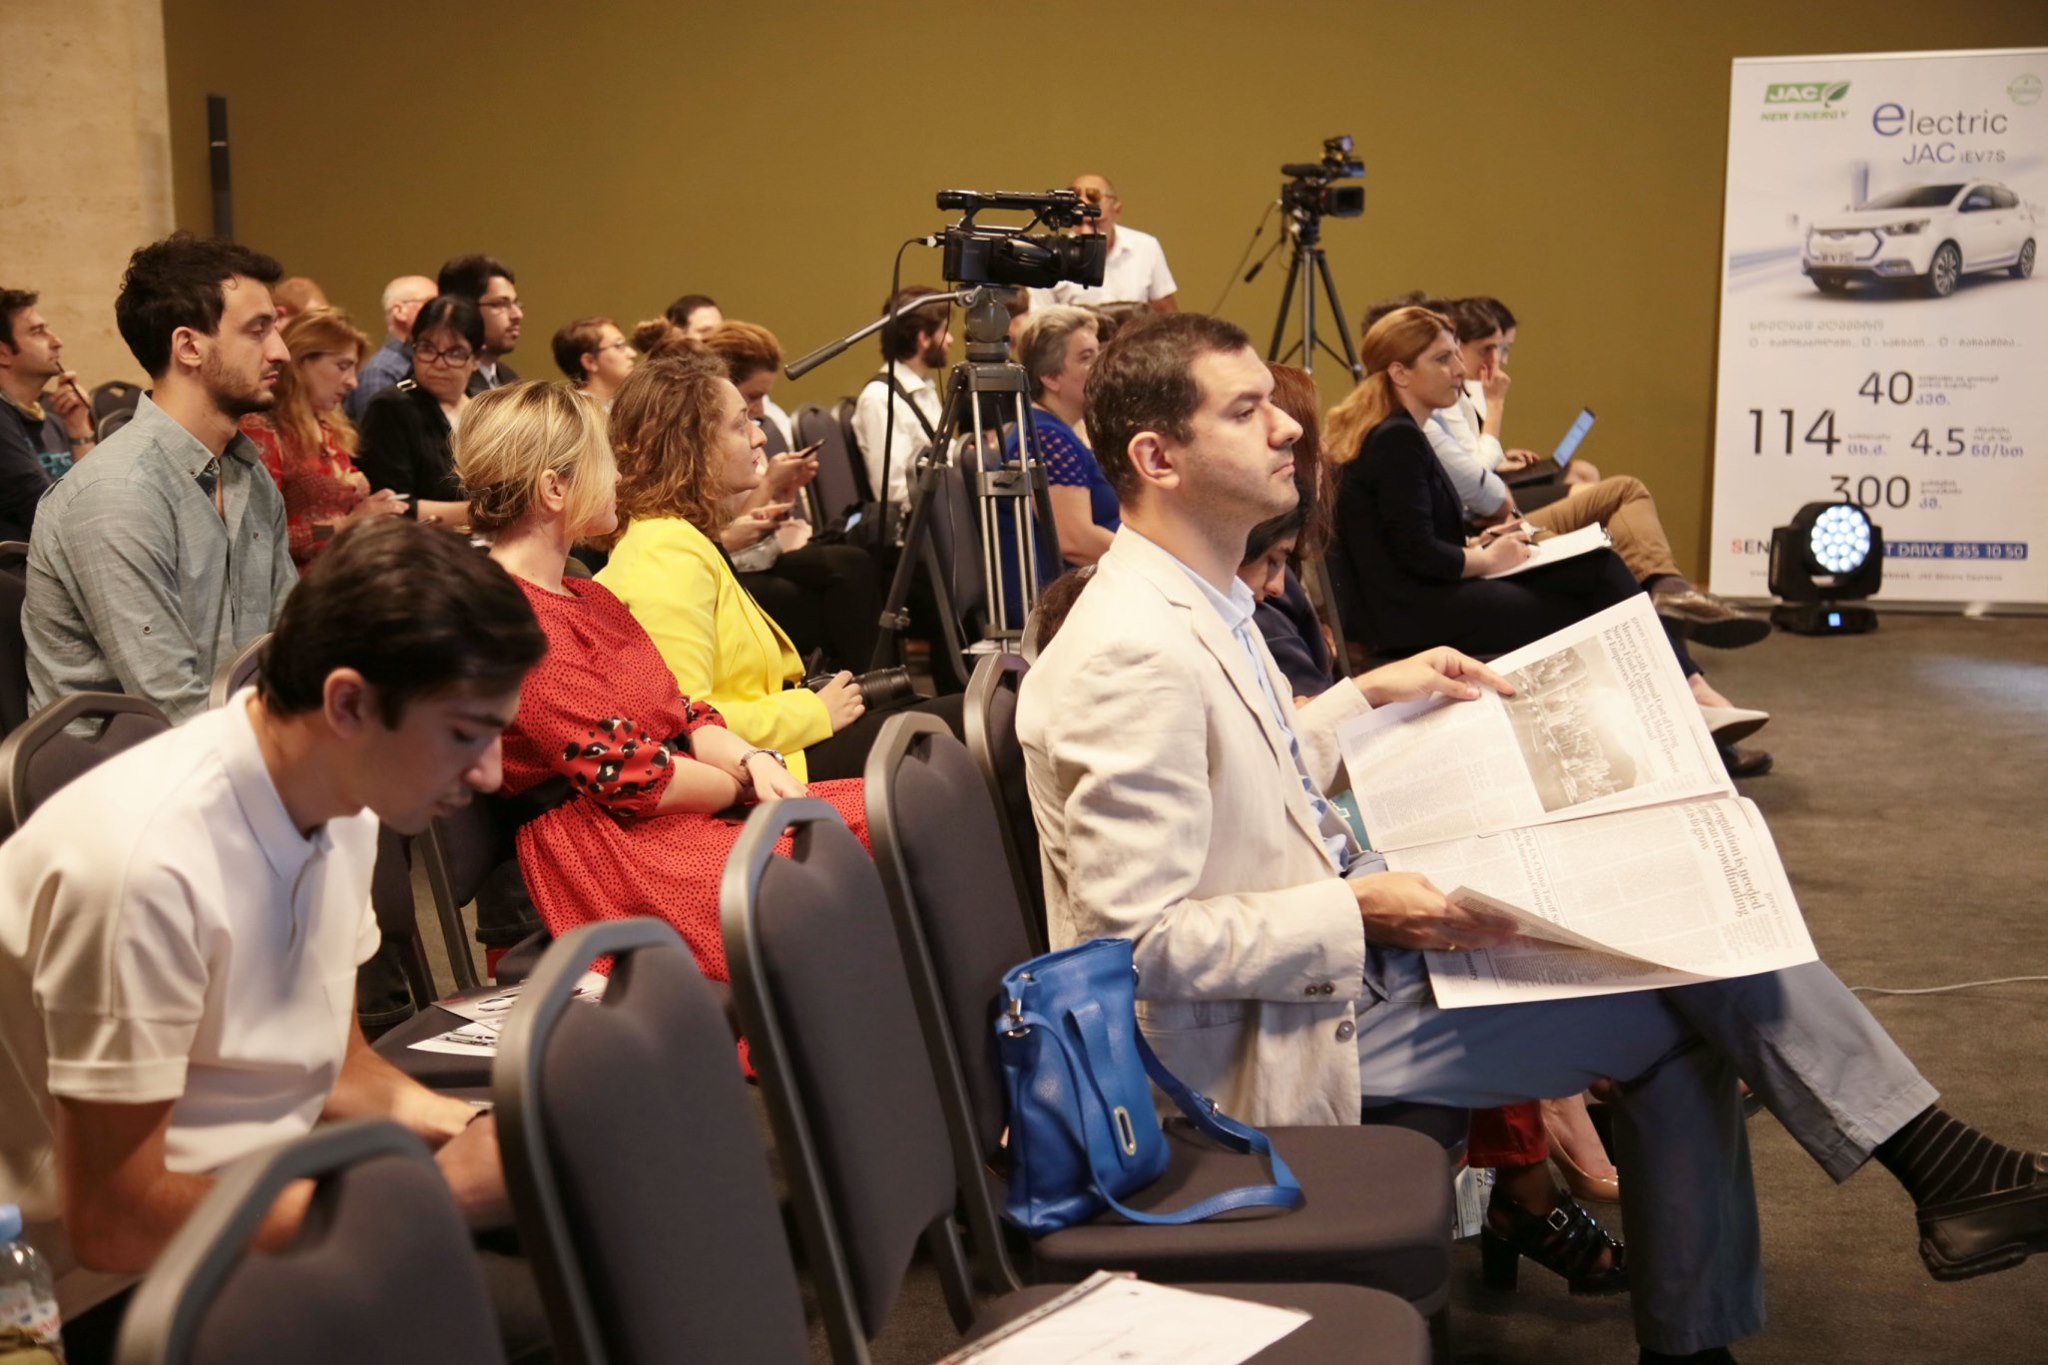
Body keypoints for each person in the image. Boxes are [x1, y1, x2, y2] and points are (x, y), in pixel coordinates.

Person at [1017, 312, 2048, 1364]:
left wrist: (1367, 697)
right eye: (1245, 412)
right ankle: (1898, 1198)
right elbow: (1138, 949)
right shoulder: (1131, 656)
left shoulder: (1193, 598)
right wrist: (1361, 907)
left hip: (1325, 971)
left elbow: (1244, 771)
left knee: (1692, 927)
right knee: (1691, 988)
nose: (1287, 427)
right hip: (1257, 1038)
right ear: (1159, 459)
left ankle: (1896, 1203)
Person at [0, 517, 552, 1364]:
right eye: (465, 733)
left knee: (590, 1246)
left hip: (263, 1189)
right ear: (348, 703)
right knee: (550, 1322)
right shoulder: (144, 867)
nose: (489, 773)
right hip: (114, 1288)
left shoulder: (347, 795)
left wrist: (479, 1132)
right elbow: (112, 1221)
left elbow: (335, 1067)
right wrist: (436, 1193)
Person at [455, 382, 867, 987]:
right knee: (826, 863)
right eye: (605, 462)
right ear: (554, 488)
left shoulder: (585, 594)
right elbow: (628, 775)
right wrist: (741, 781)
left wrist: (754, 759)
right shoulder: (508, 617)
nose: (620, 476)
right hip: (611, 852)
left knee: (887, 812)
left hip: (669, 813)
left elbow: (684, 711)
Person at [1324, 308, 1723, 693]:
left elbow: (1403, 539)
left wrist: (1481, 544)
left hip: (1417, 597)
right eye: (1443, 359)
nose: (1460, 371)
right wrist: (1487, 559)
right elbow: (1416, 552)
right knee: (1594, 607)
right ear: (1400, 372)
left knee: (1597, 567)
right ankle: (1689, 693)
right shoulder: (1396, 438)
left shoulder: (1393, 431)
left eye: (1456, 356)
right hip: (1413, 612)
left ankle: (1688, 689)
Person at [598, 354, 955, 782]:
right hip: (768, 767)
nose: (760, 437)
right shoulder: (664, 550)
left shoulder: (682, 537)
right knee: (970, 724)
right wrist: (814, 710)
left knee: (969, 714)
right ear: (690, 445)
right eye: (741, 425)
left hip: (779, 749)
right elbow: (683, 725)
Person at [24, 234, 296, 724]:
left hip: (233, 740)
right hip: (129, 763)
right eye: (258, 331)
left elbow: (293, 646)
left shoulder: (247, 473)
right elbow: (171, 707)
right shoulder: (117, 495)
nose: (281, 352)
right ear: (188, 347)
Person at [1420, 297, 1766, 651]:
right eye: (1448, 356)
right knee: (1615, 512)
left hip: (1486, 512)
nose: (1494, 361)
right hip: (1481, 525)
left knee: (1612, 513)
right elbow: (1479, 488)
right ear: (1401, 370)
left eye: (1502, 349)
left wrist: (1496, 464)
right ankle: (1672, 604)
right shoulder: (1423, 420)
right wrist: (1495, 407)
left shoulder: (1444, 404)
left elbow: (1471, 468)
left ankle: (1672, 609)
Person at [703, 322, 881, 673]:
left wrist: (787, 486)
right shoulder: (713, 444)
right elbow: (727, 536)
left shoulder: (747, 435)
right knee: (843, 575)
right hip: (735, 562)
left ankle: (868, 679)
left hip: (759, 552)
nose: (760, 410)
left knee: (854, 560)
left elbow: (760, 515)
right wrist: (770, 483)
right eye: (752, 397)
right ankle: (859, 678)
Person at [239, 307, 407, 567]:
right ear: (302, 361)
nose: (352, 382)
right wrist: (348, 525)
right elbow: (257, 538)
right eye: (343, 366)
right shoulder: (263, 429)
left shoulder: (330, 427)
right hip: (298, 585)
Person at [354, 294, 481, 526]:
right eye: (427, 348)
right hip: (419, 543)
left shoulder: (484, 406)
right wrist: (483, 513)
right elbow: (392, 507)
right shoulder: (391, 407)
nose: (439, 363)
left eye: (455, 352)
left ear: (476, 358)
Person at [1005, 305, 1116, 566]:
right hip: (1079, 586)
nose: (1101, 366)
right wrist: (1162, 561)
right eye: (1086, 358)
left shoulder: (1068, 427)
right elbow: (1076, 542)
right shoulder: (1045, 438)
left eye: (1098, 353)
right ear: (1051, 377)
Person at [0, 288, 96, 538]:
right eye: (37, 332)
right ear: (3, 354)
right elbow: (48, 517)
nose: (57, 341)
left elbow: (97, 494)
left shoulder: (54, 419)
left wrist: (78, 429)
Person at [849, 285, 949, 525]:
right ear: (923, 338)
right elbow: (894, 492)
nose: (950, 340)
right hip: (921, 529)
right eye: (944, 331)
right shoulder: (880, 399)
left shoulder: (923, 390)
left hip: (939, 517)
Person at [1025, 174, 1178, 312]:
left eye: (1095, 223)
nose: (1086, 232)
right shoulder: (1050, 256)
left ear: (1116, 212)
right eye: (1078, 223)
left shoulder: (1146, 247)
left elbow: (1167, 315)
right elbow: (1039, 324)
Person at [344, 273, 437, 420]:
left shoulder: (424, 363)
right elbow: (378, 430)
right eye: (430, 304)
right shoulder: (380, 371)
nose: (441, 311)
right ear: (400, 311)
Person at [437, 254, 522, 393]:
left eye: (516, 304)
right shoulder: (441, 383)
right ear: (464, 309)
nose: (517, 315)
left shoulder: (511, 380)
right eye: (500, 304)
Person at [551, 316, 637, 409]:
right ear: (590, 362)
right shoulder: (575, 413)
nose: (633, 354)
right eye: (619, 346)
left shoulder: (624, 406)